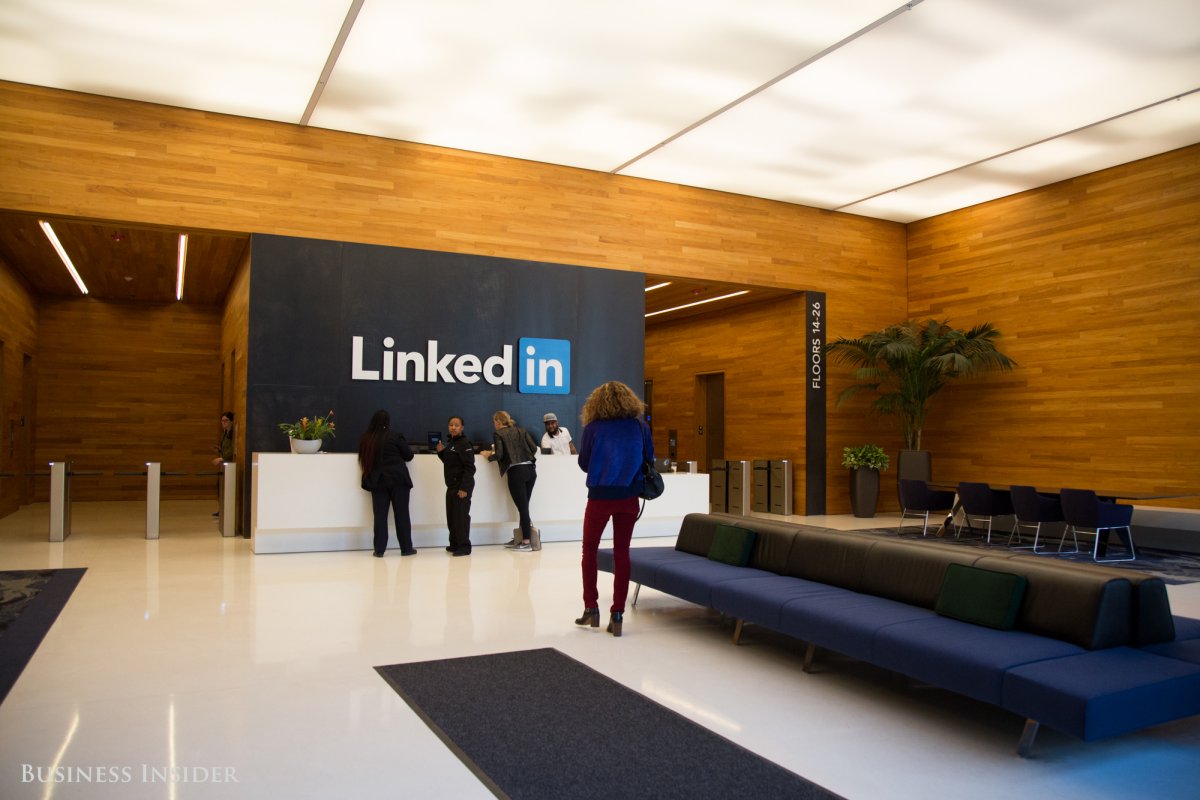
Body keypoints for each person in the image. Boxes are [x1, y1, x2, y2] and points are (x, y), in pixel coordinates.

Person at [574, 381, 653, 637]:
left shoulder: (593, 428)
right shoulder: (641, 427)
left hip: (599, 496)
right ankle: (617, 613)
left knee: (590, 551)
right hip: (629, 496)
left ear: (597, 402)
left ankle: (591, 608)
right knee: (622, 553)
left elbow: (584, 463)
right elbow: (649, 460)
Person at [357, 409, 416, 557]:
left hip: (378, 481)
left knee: (380, 516)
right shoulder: (395, 436)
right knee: (402, 514)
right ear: (388, 422)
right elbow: (408, 455)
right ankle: (406, 548)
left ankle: (379, 550)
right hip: (398, 479)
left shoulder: (367, 438)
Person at [479, 410, 539, 551]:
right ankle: (521, 537)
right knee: (524, 507)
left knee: (523, 508)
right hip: (531, 471)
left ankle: (525, 542)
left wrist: (488, 455)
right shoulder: (521, 431)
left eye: (494, 422)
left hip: (516, 473)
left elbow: (499, 455)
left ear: (498, 422)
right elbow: (534, 448)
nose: (494, 425)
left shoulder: (498, 434)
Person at [436, 415, 476, 557]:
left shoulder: (464, 444)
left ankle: (464, 546)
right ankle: (454, 544)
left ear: (462, 428)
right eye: (451, 424)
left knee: (461, 517)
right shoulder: (451, 443)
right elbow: (450, 463)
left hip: (461, 486)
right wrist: (441, 453)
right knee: (452, 517)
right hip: (451, 486)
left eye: (456, 425)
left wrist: (464, 488)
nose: (453, 427)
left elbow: (469, 468)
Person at [211, 411, 234, 517]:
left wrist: (222, 457)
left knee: (227, 488)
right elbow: (225, 448)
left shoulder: (232, 434)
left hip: (228, 464)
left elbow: (233, 449)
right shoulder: (224, 433)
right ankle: (221, 510)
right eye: (222, 421)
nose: (223, 423)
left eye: (226, 421)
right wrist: (219, 449)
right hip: (223, 464)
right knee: (220, 487)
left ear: (231, 422)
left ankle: (225, 511)